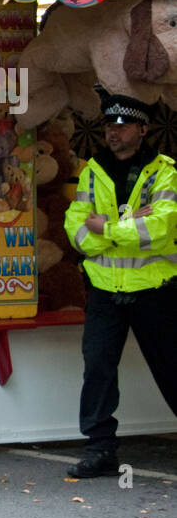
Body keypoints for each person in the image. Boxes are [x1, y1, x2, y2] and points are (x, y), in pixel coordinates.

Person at [64, 94, 177, 478]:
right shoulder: (92, 171)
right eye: (110, 126)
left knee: (171, 367)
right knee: (97, 368)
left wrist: (107, 228)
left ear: (143, 130)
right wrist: (124, 229)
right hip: (104, 287)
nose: (114, 132)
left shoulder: (166, 172)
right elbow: (76, 232)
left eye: (123, 126)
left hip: (154, 288)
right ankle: (100, 449)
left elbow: (159, 231)